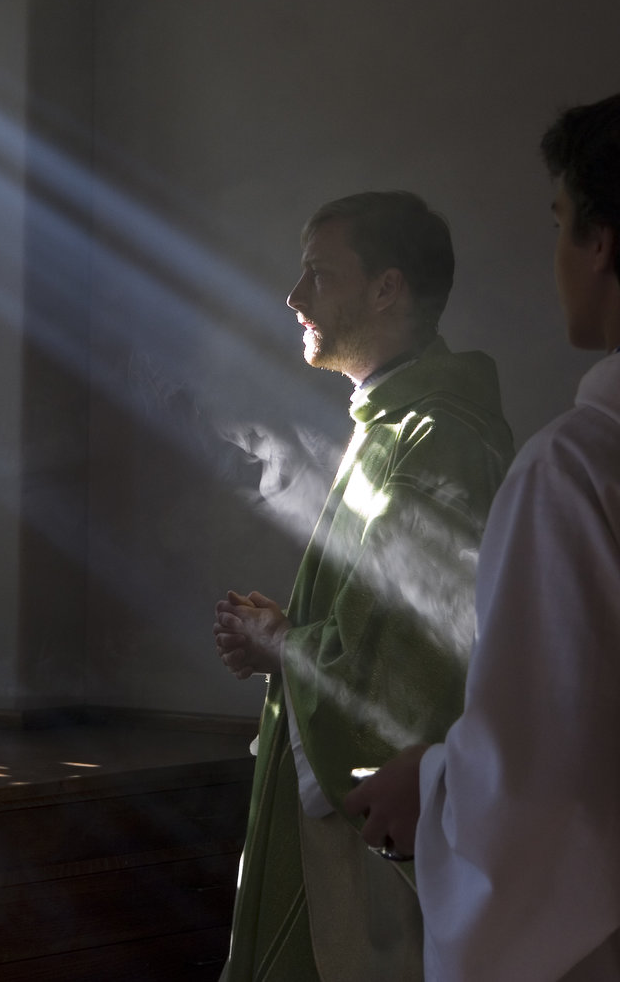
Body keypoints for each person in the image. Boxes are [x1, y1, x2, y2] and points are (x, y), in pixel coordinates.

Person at [344, 97, 620, 981]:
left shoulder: (574, 470)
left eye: (560, 223)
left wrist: (427, 784)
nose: (292, 299)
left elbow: (539, 795)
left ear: (602, 242)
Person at [214, 191, 513, 982]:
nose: (294, 297)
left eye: (317, 273)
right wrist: (290, 636)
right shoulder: (388, 421)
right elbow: (374, 623)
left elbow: (413, 672)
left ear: (387, 289)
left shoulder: (438, 435)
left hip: (385, 843)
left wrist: (281, 645)